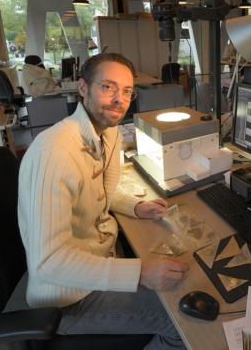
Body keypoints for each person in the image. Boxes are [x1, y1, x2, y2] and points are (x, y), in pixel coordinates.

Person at [18, 53, 188, 350]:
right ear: (83, 88)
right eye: (108, 87)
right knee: (182, 321)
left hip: (100, 260)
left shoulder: (107, 134)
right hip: (67, 297)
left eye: (126, 91)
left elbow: (95, 190)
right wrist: (139, 273)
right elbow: (48, 263)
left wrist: (135, 206)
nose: (119, 99)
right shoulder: (53, 153)